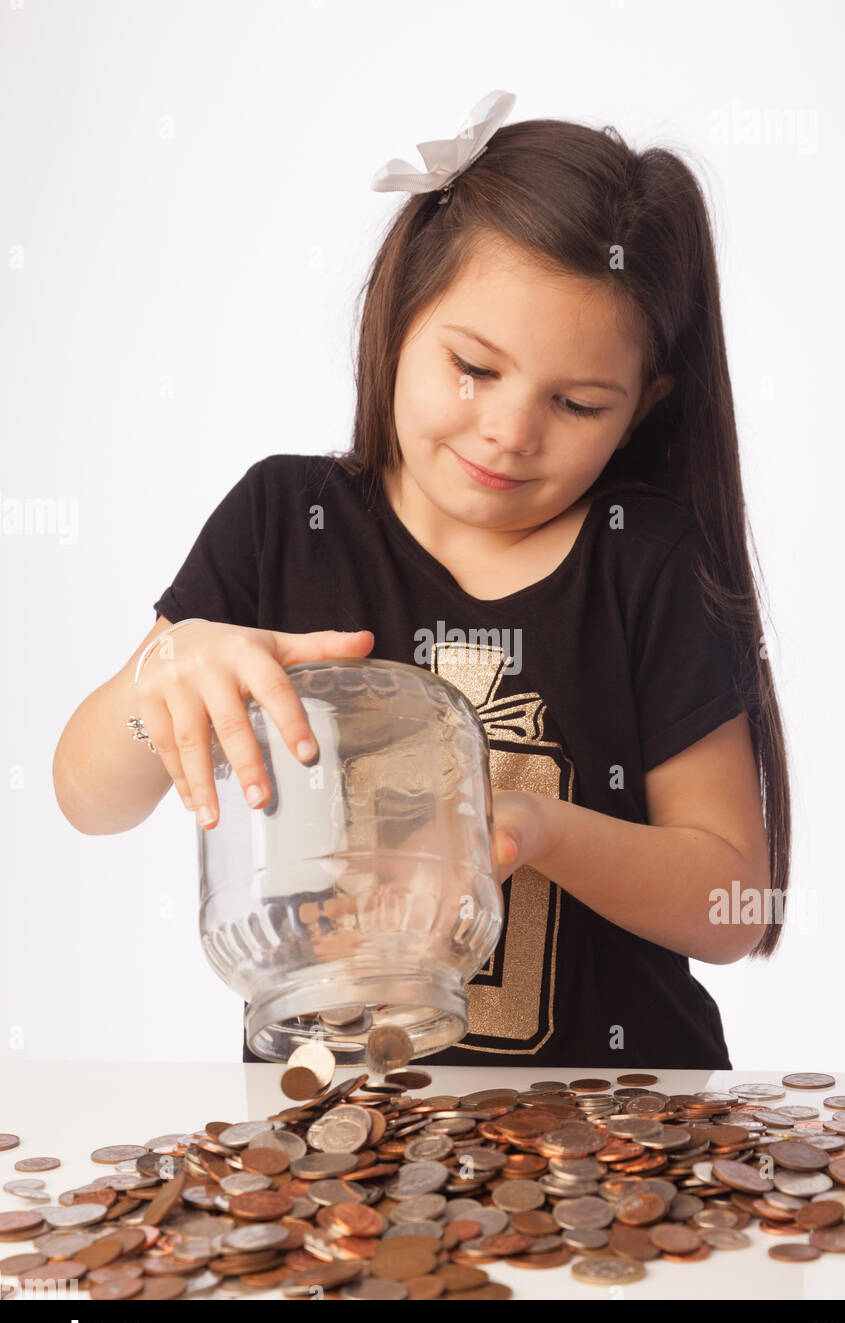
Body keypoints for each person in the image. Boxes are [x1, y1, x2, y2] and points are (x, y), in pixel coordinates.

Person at [53, 93, 790, 1070]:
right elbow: (86, 796)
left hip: (619, 1138)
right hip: (334, 1149)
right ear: (401, 314)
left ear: (643, 405)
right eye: (475, 368)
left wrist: (533, 827)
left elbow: (731, 901)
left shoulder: (649, 560)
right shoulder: (281, 521)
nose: (509, 430)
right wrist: (165, 675)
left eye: (575, 402)